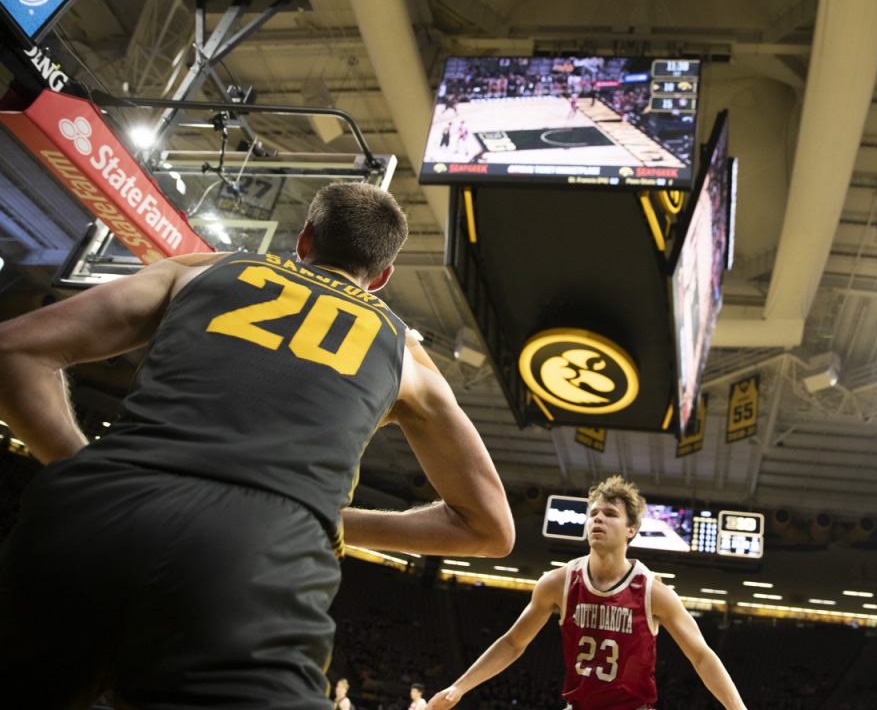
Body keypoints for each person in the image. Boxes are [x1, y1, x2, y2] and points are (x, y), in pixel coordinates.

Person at [0, 182, 514, 709]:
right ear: (381, 277)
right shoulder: (403, 352)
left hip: (90, 515)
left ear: (305, 241)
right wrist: (331, 521)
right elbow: (489, 529)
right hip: (259, 551)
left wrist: (91, 469)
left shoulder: (197, 269)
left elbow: (13, 351)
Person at [428, 475, 747, 710]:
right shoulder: (558, 583)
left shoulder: (653, 592)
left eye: (610, 515)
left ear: (631, 530)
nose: (598, 519)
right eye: (593, 514)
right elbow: (513, 642)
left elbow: (702, 656)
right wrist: (459, 687)